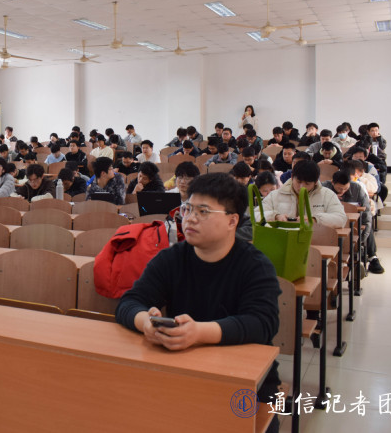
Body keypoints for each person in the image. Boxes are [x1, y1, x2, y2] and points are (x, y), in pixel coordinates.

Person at [115, 173, 281, 426]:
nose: (190, 218)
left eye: (203, 211)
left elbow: (262, 323)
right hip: (181, 366)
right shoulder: (171, 259)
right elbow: (129, 302)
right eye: (188, 208)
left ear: (232, 221)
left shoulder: (255, 265)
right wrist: (145, 322)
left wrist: (198, 333)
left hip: (246, 377)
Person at [323, 169, 383, 274]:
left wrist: (361, 240)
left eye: (345, 188)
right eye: (339, 188)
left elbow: (366, 213)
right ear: (332, 183)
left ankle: (371, 256)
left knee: (366, 226)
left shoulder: (357, 189)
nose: (342, 191)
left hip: (353, 226)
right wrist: (331, 198)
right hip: (332, 225)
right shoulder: (324, 188)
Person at [261, 160, 347, 228]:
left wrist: (314, 219)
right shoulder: (275, 195)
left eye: (307, 184)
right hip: (283, 240)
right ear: (292, 177)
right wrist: (275, 216)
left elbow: (341, 219)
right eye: (299, 182)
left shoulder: (327, 195)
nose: (302, 187)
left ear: (315, 182)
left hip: (315, 239)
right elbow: (256, 214)